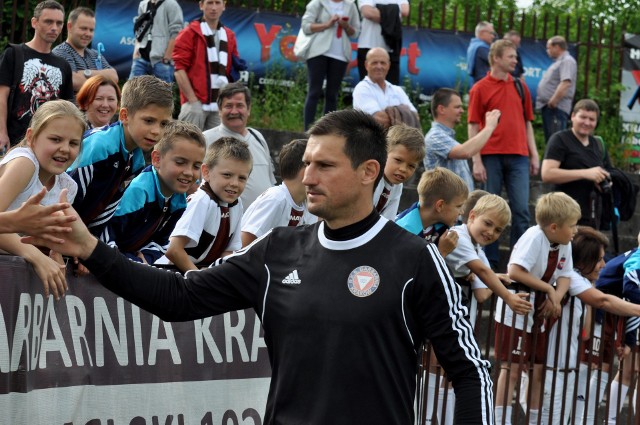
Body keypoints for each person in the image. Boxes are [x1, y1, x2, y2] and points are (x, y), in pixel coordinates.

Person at [25, 109, 496, 425]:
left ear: (369, 172)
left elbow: (470, 370)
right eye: (307, 162)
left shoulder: (414, 259)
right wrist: (90, 247)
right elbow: (179, 296)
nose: (308, 176)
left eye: (325, 165)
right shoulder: (278, 251)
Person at [439, 194, 531, 424]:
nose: (491, 232)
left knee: (450, 375)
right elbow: (482, 272)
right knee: (437, 371)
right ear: (472, 216)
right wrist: (508, 296)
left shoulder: (477, 248)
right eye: (487, 223)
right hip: (441, 318)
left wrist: (494, 279)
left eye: (498, 230)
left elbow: (481, 293)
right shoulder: (458, 237)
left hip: (458, 321)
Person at [494, 192, 579, 425]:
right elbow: (515, 271)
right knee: (510, 369)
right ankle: (499, 419)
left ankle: (535, 421)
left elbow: (565, 276)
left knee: (537, 370)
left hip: (538, 313)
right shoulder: (534, 236)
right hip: (517, 311)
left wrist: (557, 296)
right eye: (571, 226)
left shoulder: (565, 243)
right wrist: (548, 290)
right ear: (553, 227)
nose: (575, 231)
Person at [541, 227, 640, 425]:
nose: (604, 265)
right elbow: (612, 297)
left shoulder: (581, 281)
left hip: (571, 359)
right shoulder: (572, 277)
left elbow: (586, 330)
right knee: (551, 413)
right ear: (584, 259)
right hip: (554, 364)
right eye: (599, 259)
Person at [68, 75, 174, 238]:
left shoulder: (136, 158)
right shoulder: (100, 146)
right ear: (124, 116)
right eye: (148, 121)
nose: (156, 131)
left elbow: (108, 208)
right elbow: (63, 196)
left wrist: (92, 244)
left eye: (164, 124)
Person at [0, 100, 85, 300]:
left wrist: (57, 251)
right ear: (31, 137)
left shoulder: (68, 186)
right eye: (55, 139)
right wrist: (35, 256)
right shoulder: (24, 163)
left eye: (73, 143)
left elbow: (51, 238)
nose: (65, 149)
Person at [468, 39, 539, 270]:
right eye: (511, 56)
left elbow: (528, 123)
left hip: (519, 155)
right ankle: (489, 262)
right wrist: (476, 159)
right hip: (490, 155)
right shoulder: (480, 87)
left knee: (521, 211)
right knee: (489, 210)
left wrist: (534, 154)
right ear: (496, 58)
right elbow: (473, 126)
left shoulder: (520, 86)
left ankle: (519, 262)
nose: (515, 60)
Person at [103, 121, 206, 264]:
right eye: (180, 162)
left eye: (196, 166)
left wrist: (145, 258)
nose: (189, 173)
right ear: (157, 159)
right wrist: (130, 262)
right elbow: (104, 233)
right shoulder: (139, 192)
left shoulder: (179, 199)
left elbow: (162, 242)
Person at [575, 236, 640, 424]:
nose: (602, 264)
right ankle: (591, 420)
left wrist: (628, 340)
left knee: (605, 366)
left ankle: (595, 420)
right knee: (592, 366)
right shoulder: (638, 257)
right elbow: (630, 289)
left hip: (613, 311)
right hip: (598, 304)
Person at [165, 137, 251, 272]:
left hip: (201, 273)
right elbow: (173, 250)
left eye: (242, 178)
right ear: (206, 172)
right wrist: (199, 278)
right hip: (171, 271)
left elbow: (229, 252)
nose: (234, 183)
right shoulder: (202, 201)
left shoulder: (236, 204)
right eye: (227, 175)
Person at [0, 0, 74, 150]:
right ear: (34, 22)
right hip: (13, 141)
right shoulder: (14, 54)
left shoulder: (63, 65)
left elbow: (66, 107)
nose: (54, 28)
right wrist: (2, 132)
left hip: (48, 144)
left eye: (59, 23)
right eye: (48, 22)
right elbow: (1, 96)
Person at [203, 83, 276, 208]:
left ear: (248, 109)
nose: (234, 111)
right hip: (226, 222)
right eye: (228, 106)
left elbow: (271, 180)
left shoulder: (258, 137)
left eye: (240, 105)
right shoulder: (206, 139)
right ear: (219, 110)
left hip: (264, 220)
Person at [541, 99, 611, 229]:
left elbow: (608, 171)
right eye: (583, 117)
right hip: (563, 215)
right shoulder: (560, 139)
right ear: (573, 116)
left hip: (592, 216)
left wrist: (605, 180)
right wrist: (586, 173)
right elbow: (547, 174)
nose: (587, 123)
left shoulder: (598, 144)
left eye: (592, 119)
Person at [172, 0, 241, 131]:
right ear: (201, 5)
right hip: (194, 104)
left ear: (224, 6)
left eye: (217, 3)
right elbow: (179, 70)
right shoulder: (189, 32)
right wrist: (192, 100)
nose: (213, 8)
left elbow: (232, 71)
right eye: (209, 3)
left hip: (220, 104)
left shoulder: (229, 35)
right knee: (186, 147)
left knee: (216, 150)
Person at [241, 139, 316, 247]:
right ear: (305, 169)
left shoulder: (307, 204)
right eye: (319, 166)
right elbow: (242, 245)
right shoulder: (276, 199)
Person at [298, 0, 360, 130]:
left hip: (340, 55)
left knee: (332, 94)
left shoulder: (350, 5)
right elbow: (306, 26)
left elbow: (355, 32)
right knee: (314, 91)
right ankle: (307, 132)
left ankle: (327, 132)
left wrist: (346, 26)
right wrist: (327, 24)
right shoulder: (318, 3)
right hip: (318, 52)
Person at [424, 88, 501, 192]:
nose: (462, 110)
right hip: (446, 205)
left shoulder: (448, 137)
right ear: (441, 109)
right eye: (457, 107)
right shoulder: (434, 136)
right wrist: (489, 127)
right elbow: (465, 152)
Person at [395, 167, 467, 258]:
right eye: (459, 206)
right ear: (440, 205)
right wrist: (442, 252)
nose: (462, 211)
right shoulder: (404, 232)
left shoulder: (440, 224)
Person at [51, 7, 118, 92]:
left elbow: (114, 76)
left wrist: (86, 73)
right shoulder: (60, 52)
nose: (88, 34)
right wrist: (103, 76)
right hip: (72, 105)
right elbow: (73, 82)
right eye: (83, 29)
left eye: (91, 30)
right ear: (70, 26)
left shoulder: (95, 54)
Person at [352, 47, 419, 129]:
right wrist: (403, 113)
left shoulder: (398, 90)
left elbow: (415, 117)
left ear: (389, 65)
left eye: (383, 63)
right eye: (374, 63)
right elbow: (380, 120)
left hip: (400, 141)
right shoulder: (362, 88)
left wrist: (392, 115)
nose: (379, 66)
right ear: (366, 65)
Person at [374, 124, 424, 220]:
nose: (403, 169)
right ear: (384, 153)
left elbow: (388, 221)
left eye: (411, 166)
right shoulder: (372, 178)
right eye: (398, 160)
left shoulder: (397, 187)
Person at [129, 0, 183, 83]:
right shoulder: (143, 4)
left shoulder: (172, 4)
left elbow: (177, 32)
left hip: (161, 61)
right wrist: (136, 51)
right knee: (131, 93)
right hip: (141, 59)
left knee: (161, 95)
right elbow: (139, 29)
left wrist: (167, 58)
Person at [536, 35, 577, 143]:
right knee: (551, 141)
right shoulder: (560, 61)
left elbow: (565, 83)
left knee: (555, 142)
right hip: (551, 108)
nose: (547, 51)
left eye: (549, 48)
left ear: (557, 47)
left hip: (556, 109)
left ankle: (555, 160)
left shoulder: (567, 61)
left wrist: (553, 102)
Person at [357, 0, 408, 85]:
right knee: (367, 87)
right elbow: (367, 12)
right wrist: (394, 12)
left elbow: (405, 10)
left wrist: (377, 9)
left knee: (390, 89)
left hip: (390, 49)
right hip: (368, 46)